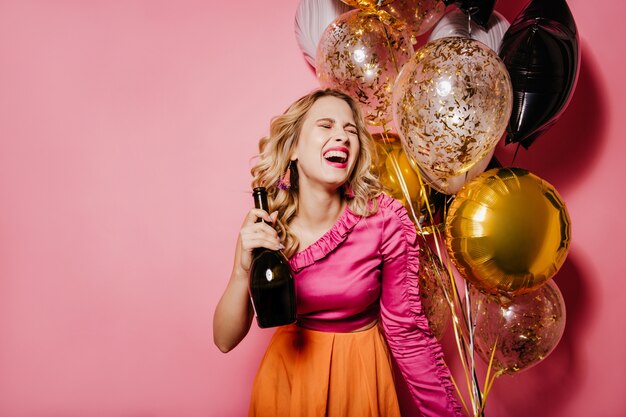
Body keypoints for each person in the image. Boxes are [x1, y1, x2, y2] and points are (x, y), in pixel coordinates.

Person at [213, 89, 464, 417]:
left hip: (360, 380)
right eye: (326, 126)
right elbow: (224, 340)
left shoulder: (383, 220)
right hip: (288, 386)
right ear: (292, 150)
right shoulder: (267, 227)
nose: (341, 137)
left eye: (350, 131)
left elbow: (407, 333)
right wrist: (240, 270)